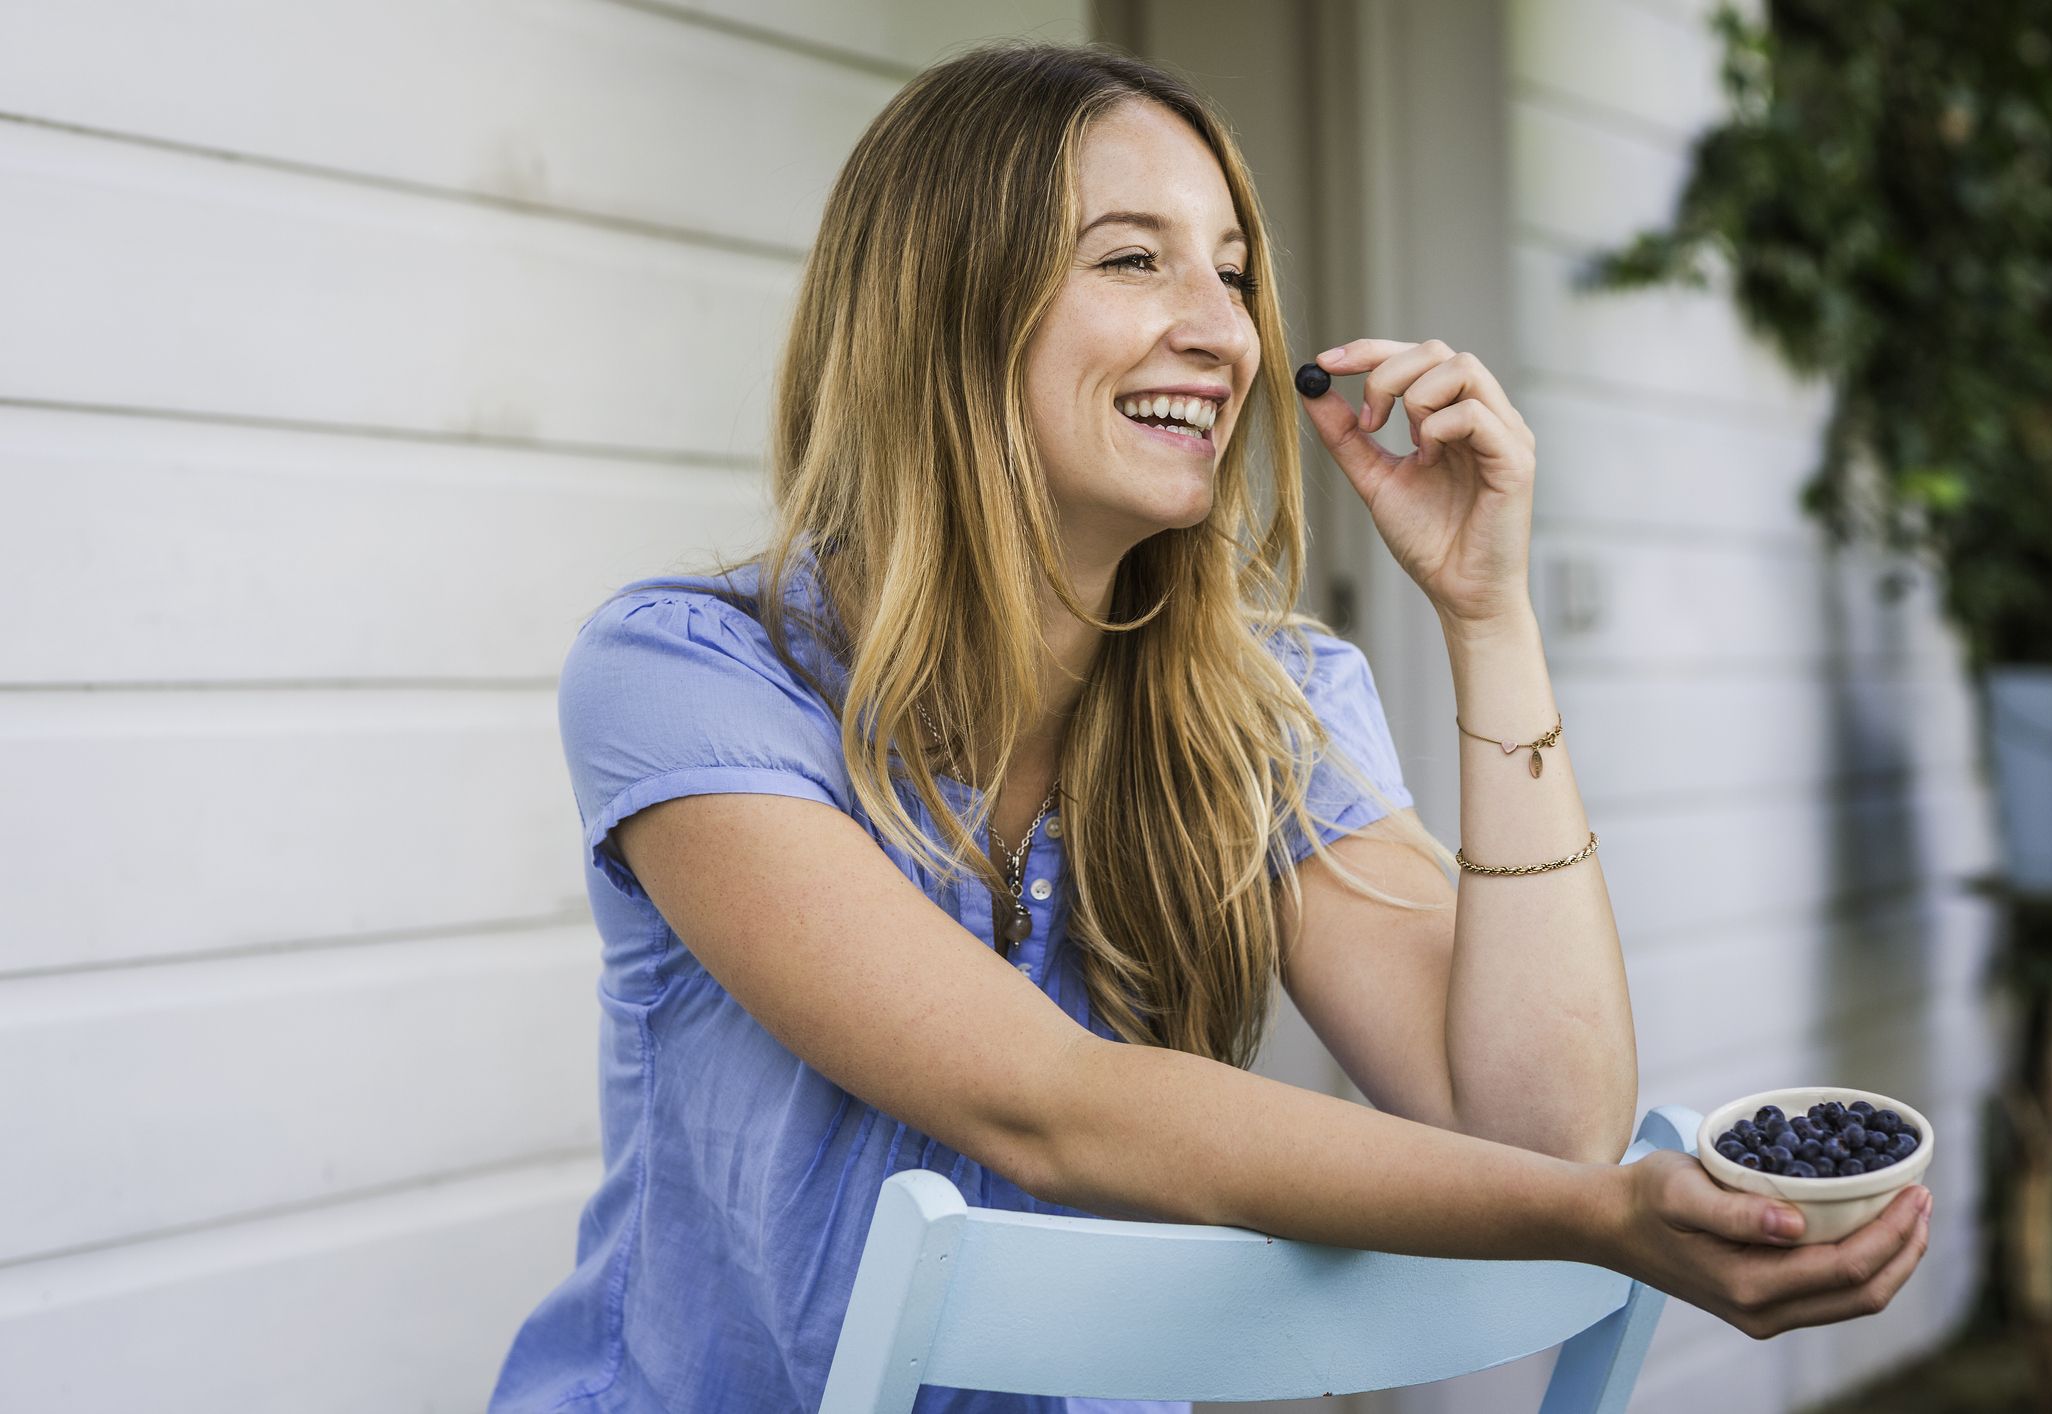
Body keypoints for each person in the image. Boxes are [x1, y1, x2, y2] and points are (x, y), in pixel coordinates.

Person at [489, 38, 1930, 1414]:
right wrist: (1598, 1219)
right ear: (945, 308)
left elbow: (1535, 1123)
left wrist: (1488, 618)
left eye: (1232, 275)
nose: (1223, 331)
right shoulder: (695, 673)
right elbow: (1049, 1104)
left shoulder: (1260, 704)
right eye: (1132, 260)